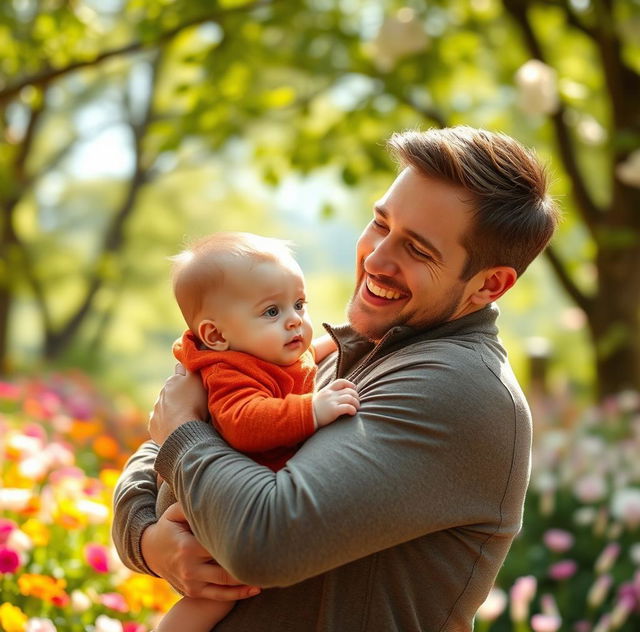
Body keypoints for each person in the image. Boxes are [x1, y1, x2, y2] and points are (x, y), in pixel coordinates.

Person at [112, 126, 560, 631]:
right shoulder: (342, 350)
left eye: (417, 249)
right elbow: (162, 447)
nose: (376, 258)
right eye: (380, 223)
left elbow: (263, 539)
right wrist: (149, 539)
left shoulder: (456, 388)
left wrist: (180, 433)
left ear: (489, 284)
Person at [153, 232, 360, 631]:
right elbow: (246, 422)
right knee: (216, 595)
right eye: (271, 312)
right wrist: (312, 410)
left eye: (299, 304)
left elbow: (301, 362)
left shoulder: (261, 350)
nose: (295, 320)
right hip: (203, 502)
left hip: (222, 488)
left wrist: (332, 345)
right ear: (216, 335)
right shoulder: (229, 373)